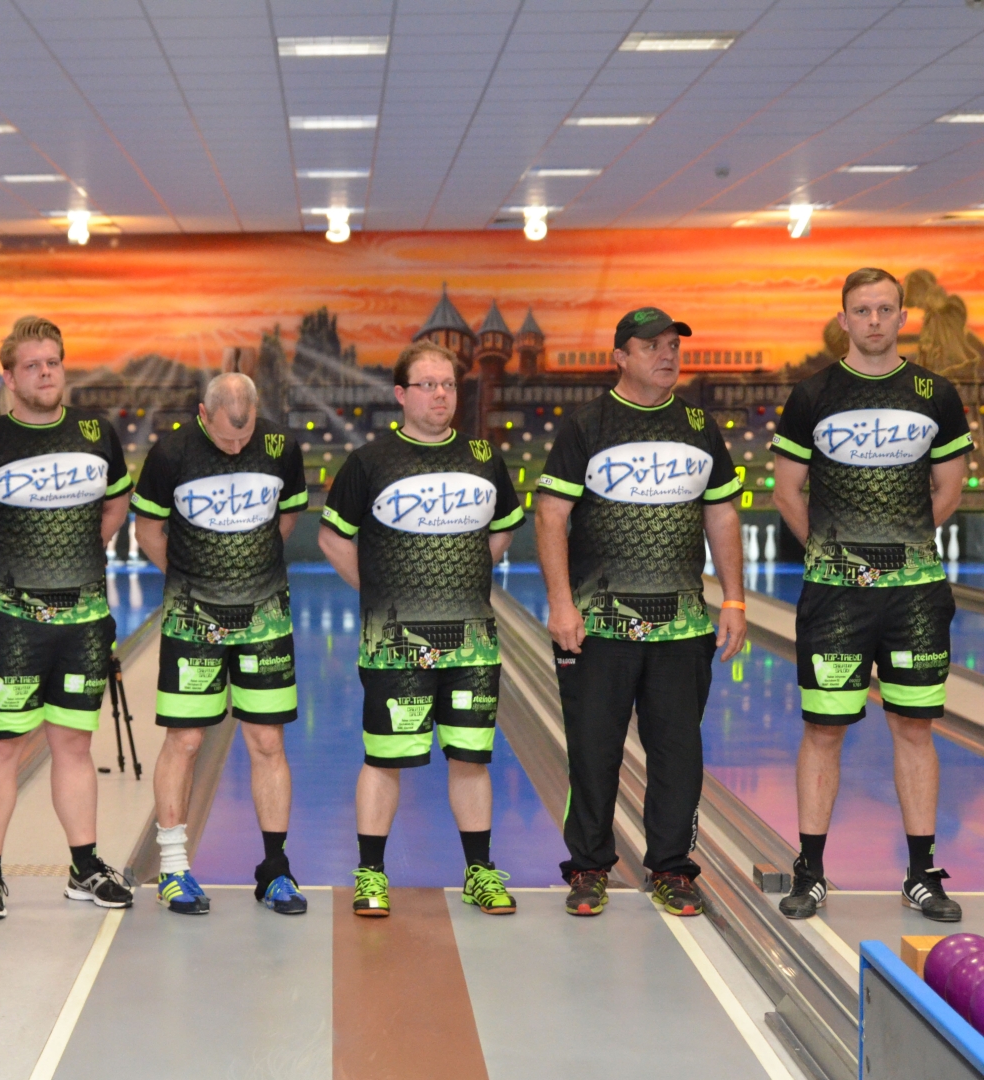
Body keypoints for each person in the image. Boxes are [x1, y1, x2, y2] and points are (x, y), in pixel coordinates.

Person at [770, 268, 971, 923]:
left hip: (914, 596)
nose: (875, 320)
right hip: (835, 598)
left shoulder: (934, 394)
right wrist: (835, 554)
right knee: (823, 729)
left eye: (885, 309)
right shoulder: (812, 394)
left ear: (902, 316)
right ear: (844, 319)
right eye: (862, 310)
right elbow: (785, 491)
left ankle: (921, 874)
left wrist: (897, 548)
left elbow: (948, 489)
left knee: (914, 728)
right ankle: (809, 871)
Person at [536, 307, 746, 919]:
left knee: (678, 754)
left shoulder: (699, 425)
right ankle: (589, 867)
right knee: (593, 752)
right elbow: (550, 515)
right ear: (620, 357)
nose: (668, 355)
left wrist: (734, 598)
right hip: (598, 624)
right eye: (651, 345)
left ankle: (672, 868)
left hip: (682, 626)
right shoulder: (587, 424)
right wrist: (561, 604)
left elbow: (721, 513)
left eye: (674, 345)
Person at [319, 342, 524, 918]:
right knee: (385, 758)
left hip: (471, 644)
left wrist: (468, 574)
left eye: (449, 385)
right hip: (395, 648)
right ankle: (371, 873)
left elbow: (504, 527)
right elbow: (332, 537)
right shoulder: (370, 461)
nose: (441, 395)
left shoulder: (483, 456)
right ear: (401, 394)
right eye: (428, 385)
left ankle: (479, 872)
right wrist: (379, 592)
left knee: (470, 758)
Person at [0, 315, 135, 919]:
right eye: (32, 365)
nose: (46, 373)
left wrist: (88, 550)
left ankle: (84, 867)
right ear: (10, 376)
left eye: (53, 362)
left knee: (73, 743)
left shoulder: (96, 432)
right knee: (2, 746)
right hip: (9, 627)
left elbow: (118, 501)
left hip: (82, 622)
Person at [132, 372, 310, 916]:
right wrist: (194, 581)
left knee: (267, 741)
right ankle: (172, 869)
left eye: (245, 435)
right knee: (185, 741)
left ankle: (275, 870)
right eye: (226, 437)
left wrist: (248, 574)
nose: (236, 447)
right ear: (203, 414)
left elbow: (287, 516)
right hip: (193, 621)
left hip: (265, 618)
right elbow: (147, 532)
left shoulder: (280, 446)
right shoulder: (171, 454)